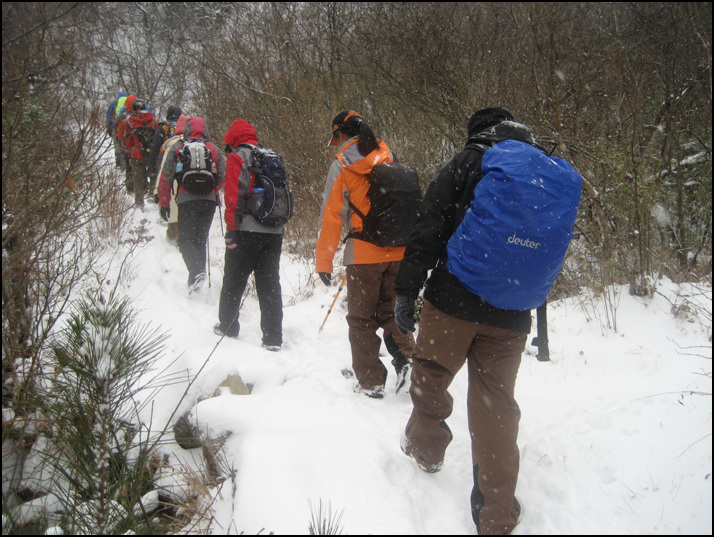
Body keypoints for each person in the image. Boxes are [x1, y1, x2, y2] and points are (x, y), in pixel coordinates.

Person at [394, 108, 549, 535]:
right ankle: (497, 513)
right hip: (512, 311)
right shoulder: (540, 174)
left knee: (431, 374)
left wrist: (407, 289)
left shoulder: (466, 162)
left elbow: (428, 228)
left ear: (477, 132)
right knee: (496, 404)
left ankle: (427, 452)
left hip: (454, 299)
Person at [316, 110, 415, 398]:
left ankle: (371, 382)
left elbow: (331, 217)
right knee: (392, 312)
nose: (336, 143)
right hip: (399, 251)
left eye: (335, 137)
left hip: (364, 256)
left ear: (340, 134)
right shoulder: (388, 155)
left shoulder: (342, 165)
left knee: (361, 320)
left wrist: (324, 261)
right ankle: (409, 361)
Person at [214, 119, 285, 351]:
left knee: (234, 280)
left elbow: (234, 196)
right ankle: (273, 338)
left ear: (234, 138)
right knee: (269, 284)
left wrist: (231, 229)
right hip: (274, 232)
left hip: (247, 230)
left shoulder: (238, 157)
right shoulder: (271, 155)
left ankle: (227, 326)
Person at [162, 117, 225, 291]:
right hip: (209, 201)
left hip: (187, 199)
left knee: (185, 241)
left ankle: (197, 272)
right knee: (199, 239)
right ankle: (195, 284)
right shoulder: (213, 148)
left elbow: (166, 174)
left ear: (187, 129)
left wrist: (165, 199)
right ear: (205, 129)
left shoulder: (179, 147)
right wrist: (212, 189)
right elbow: (221, 176)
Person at [156, 114, 189, 243]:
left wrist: (159, 194)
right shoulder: (199, 145)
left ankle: (172, 241)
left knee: (174, 214)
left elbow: (164, 173)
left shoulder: (172, 145)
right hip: (192, 192)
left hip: (175, 189)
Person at [120, 98, 158, 208]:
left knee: (138, 178)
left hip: (137, 153)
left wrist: (129, 155)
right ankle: (152, 193)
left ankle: (139, 202)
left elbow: (128, 141)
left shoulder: (130, 121)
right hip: (151, 153)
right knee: (153, 173)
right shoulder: (153, 121)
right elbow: (157, 138)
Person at [148, 105, 183, 196]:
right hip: (180, 158)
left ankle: (157, 195)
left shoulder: (163, 126)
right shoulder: (185, 126)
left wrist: (151, 166)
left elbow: (155, 147)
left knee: (161, 179)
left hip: (163, 157)